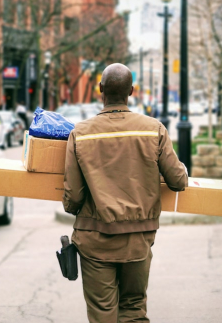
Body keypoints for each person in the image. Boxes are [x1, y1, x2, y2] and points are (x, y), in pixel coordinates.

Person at [63, 63, 188, 323]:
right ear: (131, 90)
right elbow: (177, 181)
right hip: (137, 240)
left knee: (102, 313)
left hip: (94, 240)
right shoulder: (154, 129)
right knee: (133, 308)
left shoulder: (80, 133)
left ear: (100, 91)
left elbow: (73, 197)